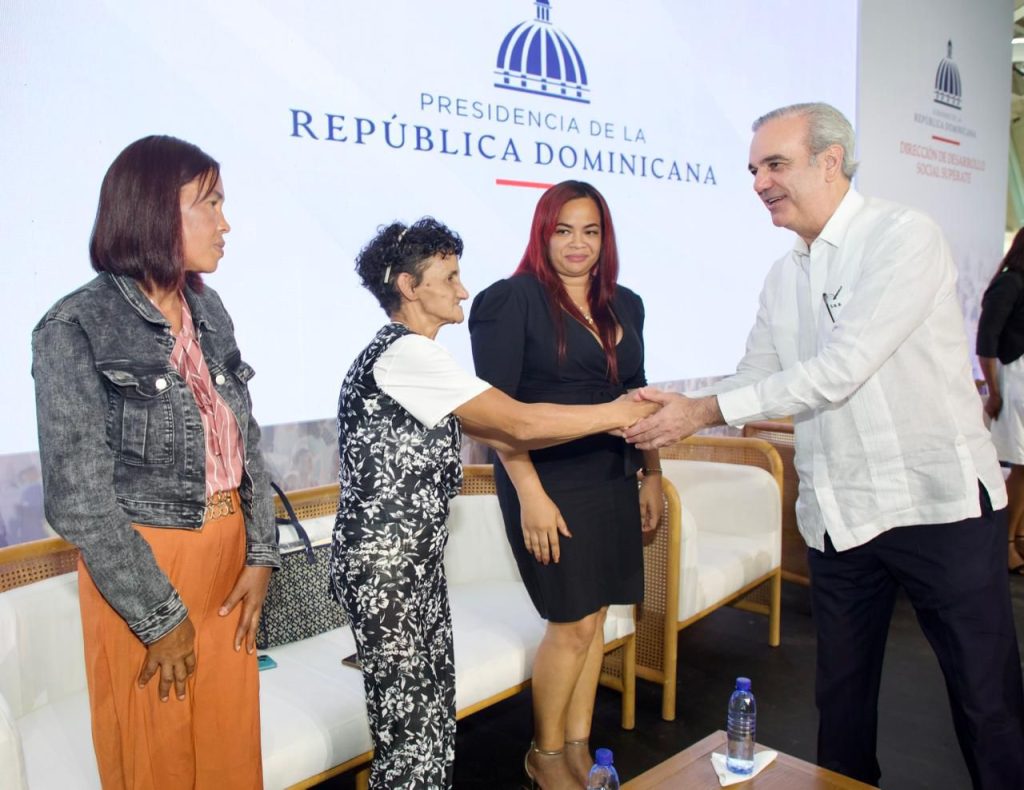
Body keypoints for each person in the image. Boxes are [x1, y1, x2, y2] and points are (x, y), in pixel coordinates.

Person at [624, 102, 1024, 789]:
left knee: (986, 705)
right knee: (840, 709)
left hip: (939, 509)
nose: (759, 183)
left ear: (830, 161)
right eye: (754, 169)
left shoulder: (903, 237)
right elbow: (754, 377)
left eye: (775, 164)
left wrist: (705, 410)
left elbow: (842, 369)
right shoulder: (784, 276)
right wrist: (679, 407)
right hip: (840, 517)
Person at [331, 217, 656, 790]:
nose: (463, 290)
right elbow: (519, 423)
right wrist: (618, 413)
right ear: (409, 287)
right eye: (449, 278)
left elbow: (508, 427)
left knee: (430, 724)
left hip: (410, 566)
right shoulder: (406, 356)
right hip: (386, 571)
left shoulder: (418, 359)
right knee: (411, 738)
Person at [32, 136, 278, 789]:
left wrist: (260, 554)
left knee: (230, 755)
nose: (225, 223)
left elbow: (245, 439)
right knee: (155, 759)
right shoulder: (75, 325)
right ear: (154, 210)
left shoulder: (209, 309)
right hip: (145, 570)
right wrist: (158, 616)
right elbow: (78, 498)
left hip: (229, 562)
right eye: (210, 204)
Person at [469, 181, 662, 789]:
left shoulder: (625, 304)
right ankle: (545, 753)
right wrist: (530, 494)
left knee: (596, 617)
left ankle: (578, 746)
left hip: (612, 474)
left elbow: (639, 395)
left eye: (591, 231)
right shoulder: (510, 300)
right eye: (564, 230)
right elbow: (495, 416)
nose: (578, 244)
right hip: (547, 479)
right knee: (571, 620)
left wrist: (652, 474)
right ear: (542, 234)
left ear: (606, 238)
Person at [977, 227, 1024, 573]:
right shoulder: (1010, 282)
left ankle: (1016, 538)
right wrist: (993, 392)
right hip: (1014, 382)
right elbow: (986, 342)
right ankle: (1004, 543)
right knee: (1021, 465)